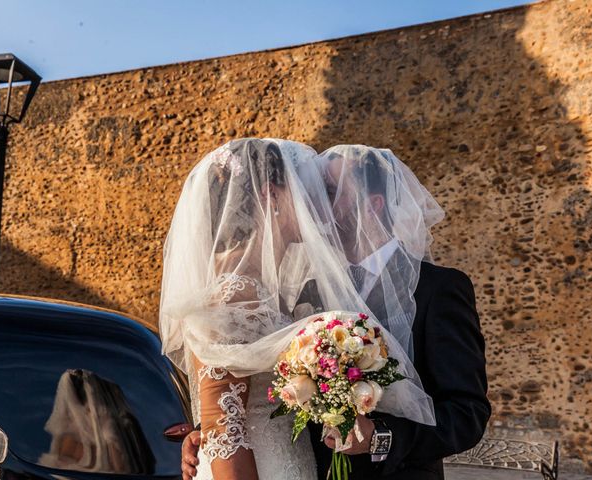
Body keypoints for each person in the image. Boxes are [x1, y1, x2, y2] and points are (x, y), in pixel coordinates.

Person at [178, 143, 489, 480]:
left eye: (330, 190)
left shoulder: (436, 289)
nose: (317, 200)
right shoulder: (308, 293)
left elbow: (466, 413)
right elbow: (249, 383)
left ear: (372, 205)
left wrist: (380, 438)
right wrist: (209, 431)